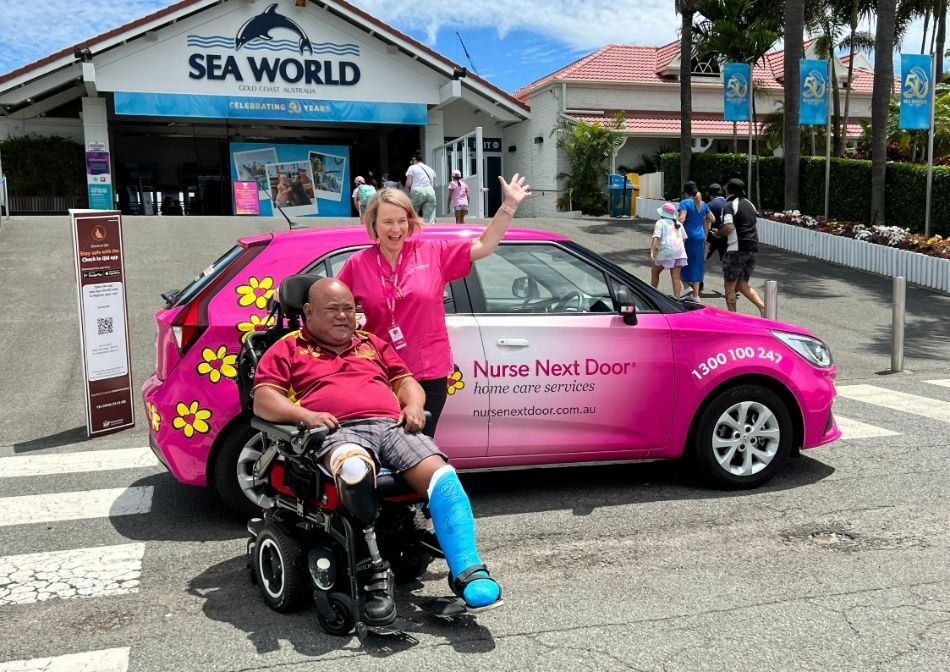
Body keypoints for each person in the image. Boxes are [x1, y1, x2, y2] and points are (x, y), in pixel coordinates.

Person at [253, 277, 502, 622]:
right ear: (308, 312)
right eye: (332, 310)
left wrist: (413, 405)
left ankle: (469, 571)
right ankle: (374, 576)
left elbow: (405, 382)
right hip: (336, 430)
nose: (344, 316)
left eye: (349, 309)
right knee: (355, 471)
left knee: (443, 477)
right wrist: (306, 416)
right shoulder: (288, 347)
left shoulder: (372, 343)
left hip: (391, 425)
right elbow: (264, 400)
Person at [336, 175, 532, 438]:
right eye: (388, 222)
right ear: (373, 224)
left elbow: (484, 246)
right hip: (380, 374)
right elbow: (330, 302)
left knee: (419, 448)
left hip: (428, 373)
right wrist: (289, 291)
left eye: (402, 220)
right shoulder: (358, 264)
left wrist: (508, 206)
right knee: (384, 449)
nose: (396, 229)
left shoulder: (432, 252)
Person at [721, 178, 767, 317]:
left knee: (730, 284)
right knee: (742, 283)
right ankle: (764, 308)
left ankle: (732, 317)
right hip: (752, 248)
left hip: (737, 249)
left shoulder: (729, 204)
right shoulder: (750, 204)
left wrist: (719, 233)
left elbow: (728, 226)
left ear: (728, 189)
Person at [678, 181, 715, 302]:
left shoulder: (684, 203)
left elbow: (682, 219)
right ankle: (696, 295)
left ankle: (687, 287)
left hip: (687, 237)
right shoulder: (703, 204)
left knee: (681, 262)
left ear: (686, 193)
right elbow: (713, 218)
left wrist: (674, 225)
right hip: (700, 237)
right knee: (697, 264)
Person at [649, 201, 688, 298]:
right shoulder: (678, 223)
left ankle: (652, 294)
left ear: (662, 214)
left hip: (667, 251)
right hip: (679, 252)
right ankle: (677, 299)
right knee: (676, 277)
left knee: (655, 271)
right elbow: (684, 237)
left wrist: (652, 251)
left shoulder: (660, 222)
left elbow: (656, 237)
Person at [405, 154, 438, 223]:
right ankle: (429, 231)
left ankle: (414, 231)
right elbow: (434, 185)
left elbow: (409, 183)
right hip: (430, 191)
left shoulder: (412, 167)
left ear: (415, 160)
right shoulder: (430, 169)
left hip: (418, 191)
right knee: (430, 216)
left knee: (414, 214)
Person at [705, 183, 728, 262]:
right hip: (726, 235)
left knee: (703, 258)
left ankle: (699, 274)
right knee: (726, 260)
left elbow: (706, 220)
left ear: (710, 194)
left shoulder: (710, 205)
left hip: (712, 235)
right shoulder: (729, 203)